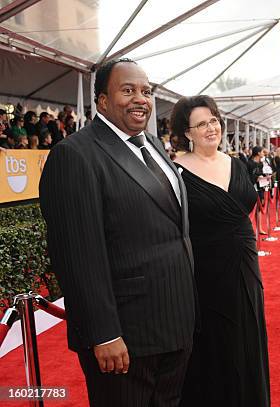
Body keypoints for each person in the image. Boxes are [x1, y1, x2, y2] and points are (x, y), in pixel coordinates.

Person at [39, 58, 196, 407]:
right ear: (102, 100)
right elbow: (77, 254)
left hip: (175, 324)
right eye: (128, 90)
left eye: (146, 91)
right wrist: (104, 332)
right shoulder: (74, 155)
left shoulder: (154, 146)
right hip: (124, 337)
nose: (140, 98)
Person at [171, 95, 270, 406]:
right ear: (187, 133)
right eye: (201, 124)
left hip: (245, 262)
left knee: (248, 333)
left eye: (213, 120)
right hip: (206, 271)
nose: (210, 128)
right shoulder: (176, 171)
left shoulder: (236, 163)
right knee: (215, 342)